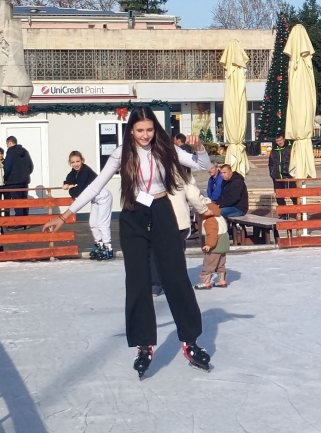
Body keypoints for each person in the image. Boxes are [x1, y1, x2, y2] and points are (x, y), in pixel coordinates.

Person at [42, 106, 213, 378]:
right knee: (137, 281)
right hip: (133, 216)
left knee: (176, 277)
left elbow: (203, 165)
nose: (145, 135)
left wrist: (200, 148)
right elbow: (95, 185)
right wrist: (65, 215)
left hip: (162, 212)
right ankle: (144, 344)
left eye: (149, 130)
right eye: (140, 130)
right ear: (131, 130)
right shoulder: (121, 154)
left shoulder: (166, 149)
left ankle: (190, 341)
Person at [63, 151, 114, 260]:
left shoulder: (85, 171)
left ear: (82, 161)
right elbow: (70, 177)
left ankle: (108, 248)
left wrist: (71, 189)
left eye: (78, 161)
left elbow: (79, 191)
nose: (76, 164)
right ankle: (99, 245)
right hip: (95, 199)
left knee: (102, 223)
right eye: (73, 162)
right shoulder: (76, 172)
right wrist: (66, 183)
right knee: (93, 223)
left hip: (103, 197)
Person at [195, 201, 229, 290]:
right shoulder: (220, 217)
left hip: (215, 247)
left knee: (209, 264)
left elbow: (212, 234)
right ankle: (222, 281)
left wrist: (209, 245)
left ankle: (205, 282)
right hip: (223, 246)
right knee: (220, 264)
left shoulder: (210, 220)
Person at [4, 136, 34, 230]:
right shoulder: (25, 151)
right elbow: (31, 166)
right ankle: (25, 223)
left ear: (9, 143)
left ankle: (20, 224)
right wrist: (25, 175)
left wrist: (5, 178)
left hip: (13, 182)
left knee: (17, 202)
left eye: (7, 144)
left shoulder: (10, 152)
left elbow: (7, 167)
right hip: (24, 181)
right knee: (24, 201)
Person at [269, 134, 296, 217]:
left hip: (289, 177)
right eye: (278, 141)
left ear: (284, 139)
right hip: (277, 178)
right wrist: (272, 173)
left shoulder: (290, 148)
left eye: (281, 140)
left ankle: (300, 212)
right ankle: (284, 214)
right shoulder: (274, 151)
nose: (280, 142)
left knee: (294, 196)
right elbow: (270, 163)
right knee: (279, 197)